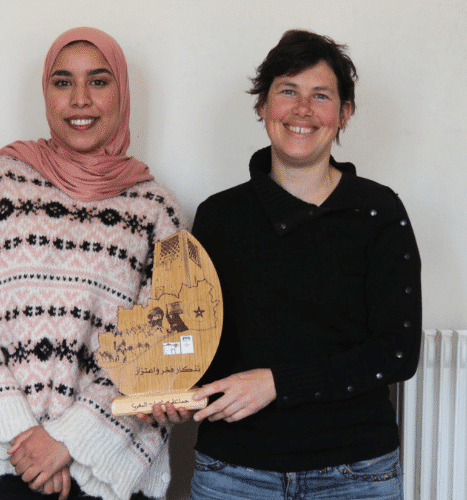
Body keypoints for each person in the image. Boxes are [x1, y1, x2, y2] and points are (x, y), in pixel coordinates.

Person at [0, 27, 183, 500]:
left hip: (102, 464)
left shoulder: (155, 210)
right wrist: (26, 437)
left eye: (99, 82)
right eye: (63, 83)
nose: (80, 99)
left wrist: (68, 440)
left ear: (122, 93)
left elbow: (157, 344)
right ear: (46, 92)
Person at [186, 30, 421, 499]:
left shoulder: (379, 211)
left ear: (344, 113)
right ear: (262, 107)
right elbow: (195, 342)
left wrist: (277, 383)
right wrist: (169, 389)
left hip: (356, 472)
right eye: (287, 91)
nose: (302, 109)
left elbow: (397, 351)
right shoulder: (217, 216)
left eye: (321, 95)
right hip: (234, 471)